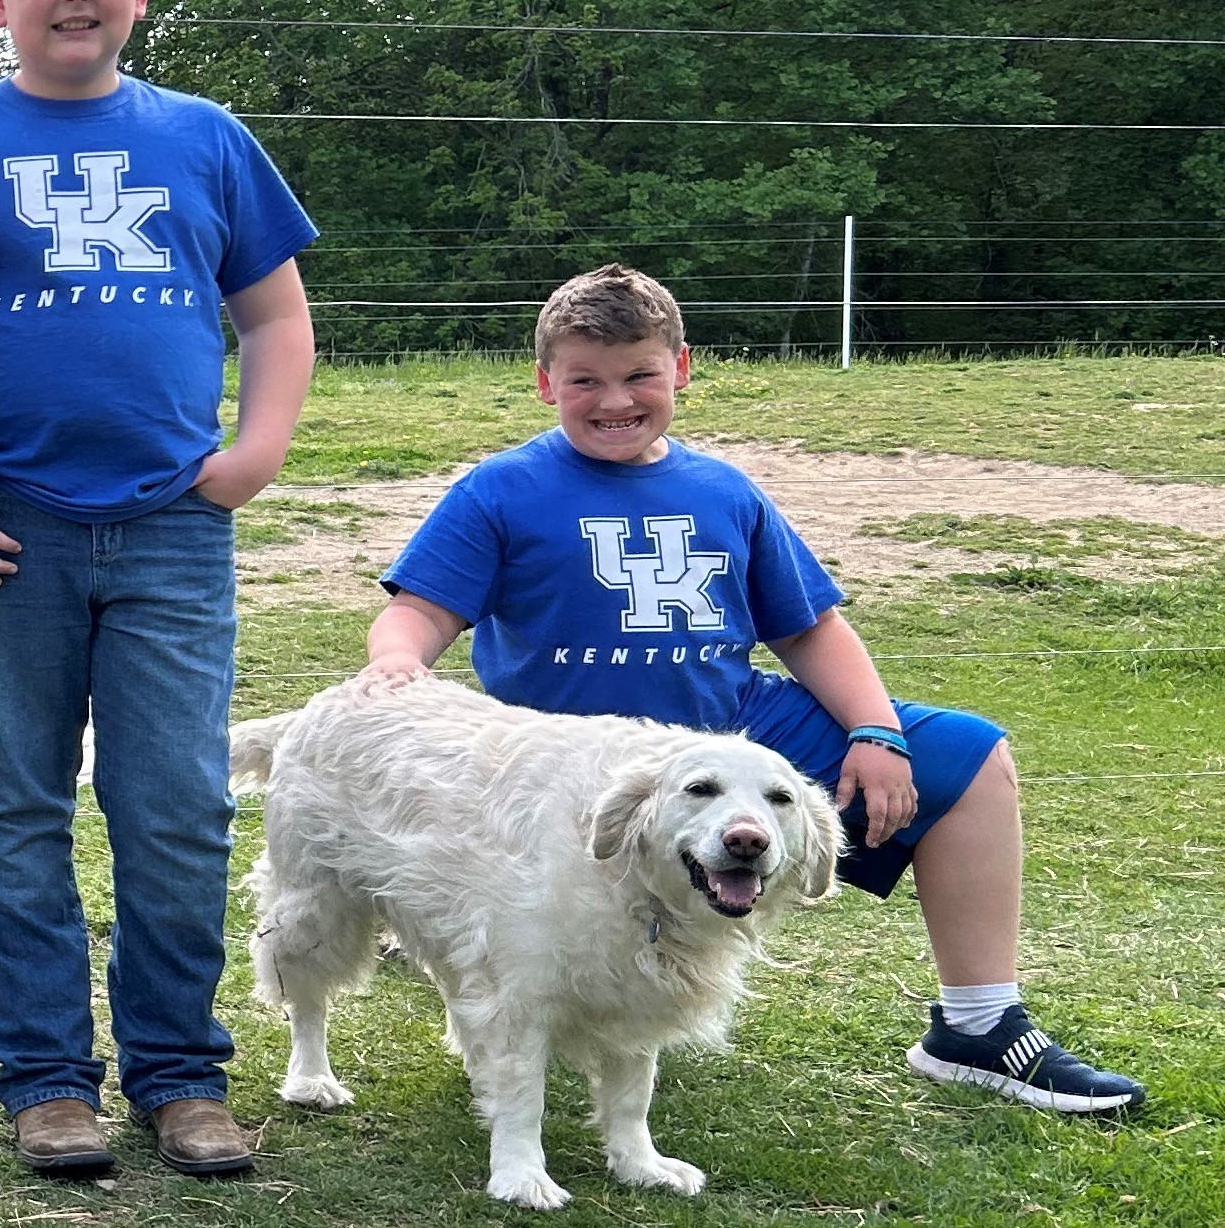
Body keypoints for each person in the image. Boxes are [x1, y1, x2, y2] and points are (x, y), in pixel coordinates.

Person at [364, 265, 1143, 1117]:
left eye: (639, 375)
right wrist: (397, 665)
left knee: (972, 759)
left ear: (682, 370)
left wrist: (878, 736)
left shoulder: (724, 490)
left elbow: (808, 629)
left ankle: (979, 1025)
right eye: (585, 379)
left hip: (728, 730)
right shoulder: (500, 488)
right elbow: (423, 612)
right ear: (546, 380)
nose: (613, 399)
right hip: (573, 760)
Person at [0, 0, 315, 1181]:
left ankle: (179, 1073)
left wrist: (252, 451)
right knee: (14, 807)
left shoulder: (203, 139)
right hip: (6, 531)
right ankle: (42, 1079)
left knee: (175, 805)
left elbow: (273, 315)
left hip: (169, 533)